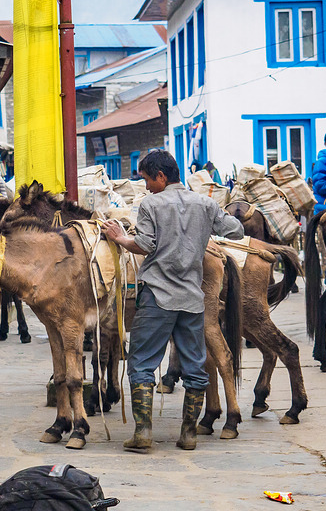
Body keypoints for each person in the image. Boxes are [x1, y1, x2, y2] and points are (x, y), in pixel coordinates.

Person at [102, 150, 244, 453]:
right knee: (195, 366)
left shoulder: (151, 204)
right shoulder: (205, 204)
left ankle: (143, 432)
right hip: (192, 299)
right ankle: (189, 434)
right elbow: (235, 230)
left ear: (161, 176)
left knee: (141, 363)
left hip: (158, 296)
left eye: (147, 179)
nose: (146, 186)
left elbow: (144, 244)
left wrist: (119, 237)